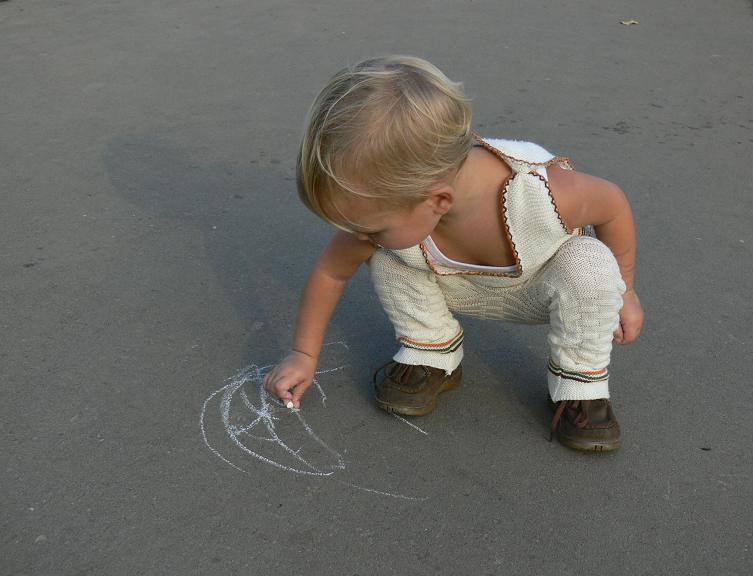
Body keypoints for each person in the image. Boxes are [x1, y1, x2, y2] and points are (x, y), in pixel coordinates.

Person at [263, 55, 644, 452]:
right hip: (454, 283)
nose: (356, 235)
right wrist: (302, 354)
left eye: (370, 225)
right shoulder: (401, 207)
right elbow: (330, 273)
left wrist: (627, 292)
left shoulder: (540, 195)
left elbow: (612, 203)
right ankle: (432, 349)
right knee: (386, 255)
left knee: (589, 262)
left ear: (439, 200)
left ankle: (579, 384)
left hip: (546, 286)